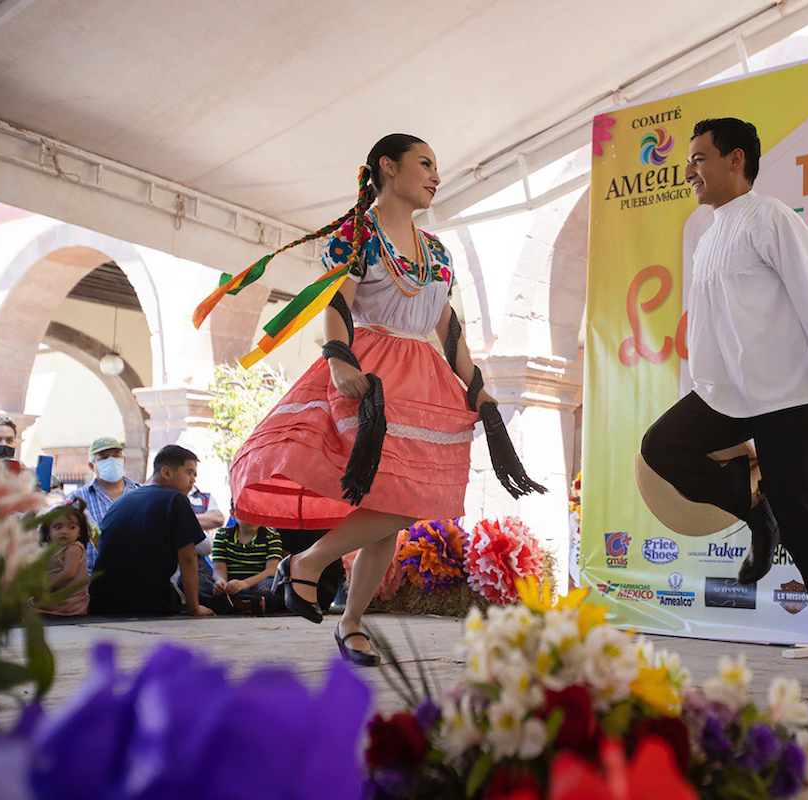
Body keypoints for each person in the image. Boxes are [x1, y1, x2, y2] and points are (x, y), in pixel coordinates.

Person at [194, 134, 540, 665]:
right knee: (395, 503)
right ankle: (320, 581)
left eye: (436, 167)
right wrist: (338, 358)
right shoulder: (358, 233)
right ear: (388, 166)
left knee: (401, 506)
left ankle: (336, 601)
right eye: (425, 163)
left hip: (425, 382)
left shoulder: (438, 251)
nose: (435, 176)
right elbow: (335, 303)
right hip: (373, 372)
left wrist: (477, 386)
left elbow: (449, 332)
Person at [640, 118, 808, 692]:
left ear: (735, 160)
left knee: (805, 523)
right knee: (663, 446)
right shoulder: (708, 231)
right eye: (689, 159)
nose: (689, 169)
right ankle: (752, 507)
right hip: (728, 393)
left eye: (699, 158)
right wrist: (697, 389)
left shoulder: (772, 219)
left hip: (790, 395)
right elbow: (712, 328)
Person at [87, 445, 215, 618]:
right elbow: (188, 556)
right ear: (167, 472)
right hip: (144, 603)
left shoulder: (122, 500)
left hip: (101, 603)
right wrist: (194, 608)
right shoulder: (175, 499)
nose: (193, 480)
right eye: (189, 472)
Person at [68, 437, 140, 572]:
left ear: (123, 461)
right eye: (104, 457)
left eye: (116, 456)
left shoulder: (141, 494)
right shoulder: (77, 499)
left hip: (136, 577)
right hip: (94, 581)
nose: (111, 461)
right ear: (91, 465)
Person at [208, 519, 284, 614]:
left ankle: (242, 603)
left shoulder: (271, 536)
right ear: (233, 513)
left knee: (272, 584)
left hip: (258, 584)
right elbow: (219, 568)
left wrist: (244, 584)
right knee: (205, 584)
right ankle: (247, 603)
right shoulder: (223, 534)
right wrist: (221, 582)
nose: (251, 518)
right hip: (231, 585)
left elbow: (272, 570)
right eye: (245, 513)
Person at [33, 499, 90, 616]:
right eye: (58, 528)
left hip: (68, 603)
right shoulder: (50, 550)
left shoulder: (74, 548)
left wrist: (46, 589)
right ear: (49, 532)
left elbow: (68, 574)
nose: (64, 532)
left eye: (71, 527)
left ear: (80, 532)